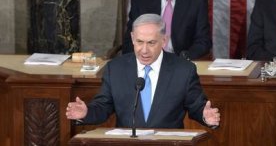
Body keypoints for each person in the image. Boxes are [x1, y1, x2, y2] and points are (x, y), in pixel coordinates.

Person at [66, 13, 220, 129]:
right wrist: (86, 113)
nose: (144, 50)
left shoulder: (183, 70)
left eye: (151, 43)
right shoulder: (116, 68)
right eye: (139, 42)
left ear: (164, 41)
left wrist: (205, 116)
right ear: (132, 38)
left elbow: (196, 105)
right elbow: (103, 106)